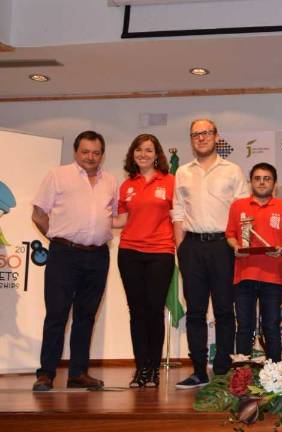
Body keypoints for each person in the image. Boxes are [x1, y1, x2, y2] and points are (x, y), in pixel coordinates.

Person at [31, 130, 118, 391]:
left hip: (98, 255)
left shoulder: (111, 181)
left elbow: (110, 217)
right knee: (57, 314)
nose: (90, 157)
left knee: (86, 316)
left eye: (96, 152)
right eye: (85, 151)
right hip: (64, 255)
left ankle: (78, 373)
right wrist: (58, 239)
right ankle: (46, 373)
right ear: (75, 152)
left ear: (102, 154)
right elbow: (38, 214)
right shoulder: (57, 175)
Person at [172, 119, 249, 388]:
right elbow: (178, 211)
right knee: (195, 312)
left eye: (206, 133)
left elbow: (244, 212)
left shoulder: (233, 170)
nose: (201, 138)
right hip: (191, 247)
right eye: (195, 134)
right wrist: (180, 248)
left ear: (217, 136)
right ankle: (198, 371)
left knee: (225, 311)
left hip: (223, 247)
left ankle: (223, 370)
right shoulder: (182, 172)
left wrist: (243, 246)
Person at [113, 134, 175, 388]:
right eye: (138, 150)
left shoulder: (170, 181)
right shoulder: (127, 185)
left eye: (149, 150)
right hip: (129, 253)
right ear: (132, 154)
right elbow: (121, 220)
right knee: (136, 313)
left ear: (157, 154)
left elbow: (179, 216)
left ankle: (153, 368)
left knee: (154, 310)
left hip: (161, 252)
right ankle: (140, 369)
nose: (143, 154)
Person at [226, 162, 282, 362]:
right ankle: (243, 373)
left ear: (274, 183)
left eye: (267, 178)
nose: (262, 182)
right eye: (257, 178)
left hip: (272, 276)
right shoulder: (238, 206)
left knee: (271, 325)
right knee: (244, 325)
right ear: (251, 182)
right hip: (244, 275)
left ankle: (275, 373)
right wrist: (235, 247)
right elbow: (230, 235)